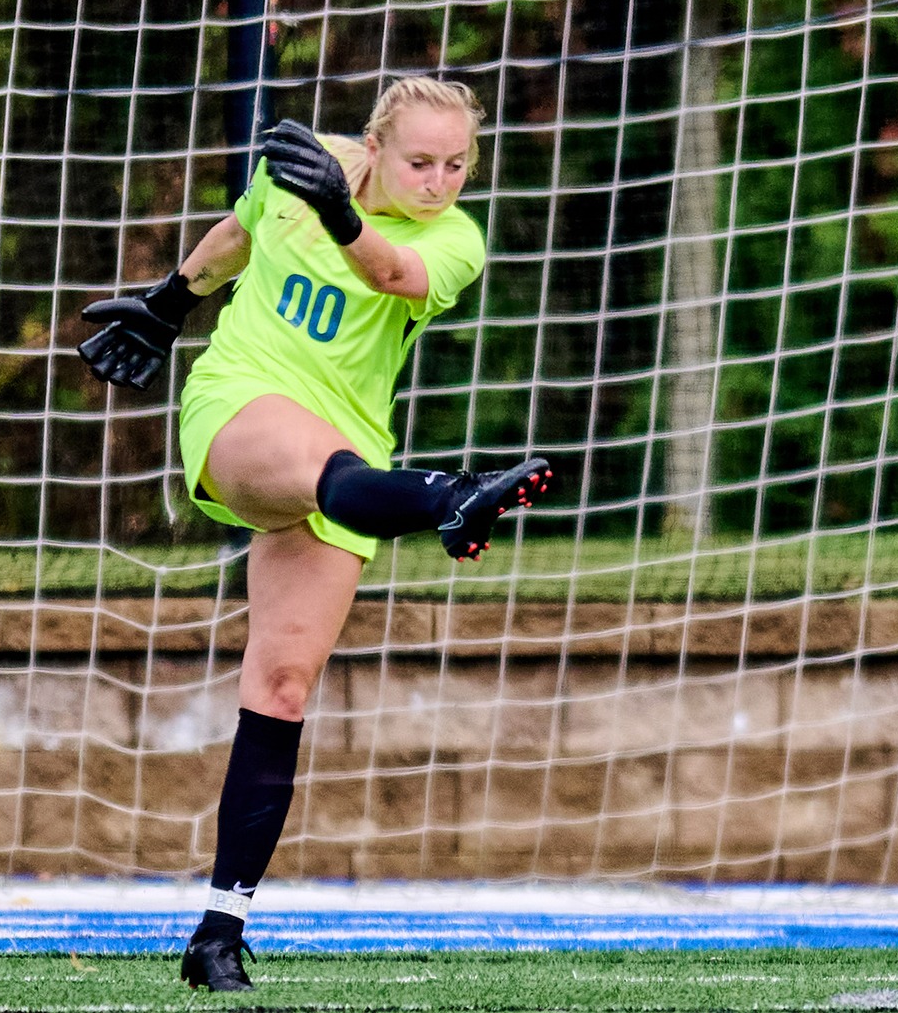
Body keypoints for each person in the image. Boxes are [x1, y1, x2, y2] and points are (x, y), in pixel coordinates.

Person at [77, 76, 552, 992]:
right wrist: (172, 302)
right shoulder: (313, 168)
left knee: (283, 686)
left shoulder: (455, 239)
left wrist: (341, 214)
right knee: (315, 464)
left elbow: (392, 273)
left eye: (457, 164)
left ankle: (219, 931)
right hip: (239, 406)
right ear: (373, 146)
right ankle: (448, 497)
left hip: (351, 458)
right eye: (420, 160)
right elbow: (242, 231)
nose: (438, 180)